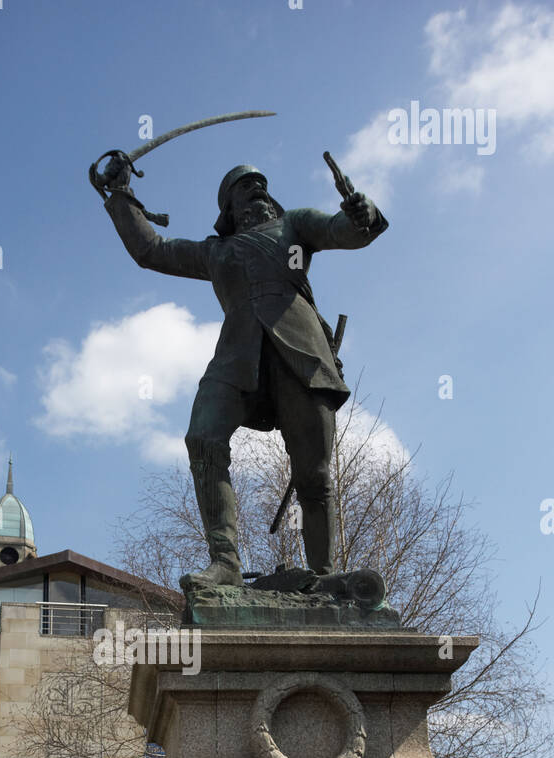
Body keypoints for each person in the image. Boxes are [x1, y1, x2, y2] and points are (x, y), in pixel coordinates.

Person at [101, 162, 388, 583]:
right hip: (237, 357)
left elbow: (341, 230)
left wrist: (362, 212)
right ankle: (226, 563)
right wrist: (121, 194)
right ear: (230, 210)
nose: (257, 190)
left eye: (261, 185)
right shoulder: (215, 252)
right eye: (244, 187)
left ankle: (325, 577)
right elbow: (152, 250)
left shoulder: (295, 227)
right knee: (202, 437)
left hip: (301, 353)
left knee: (314, 474)